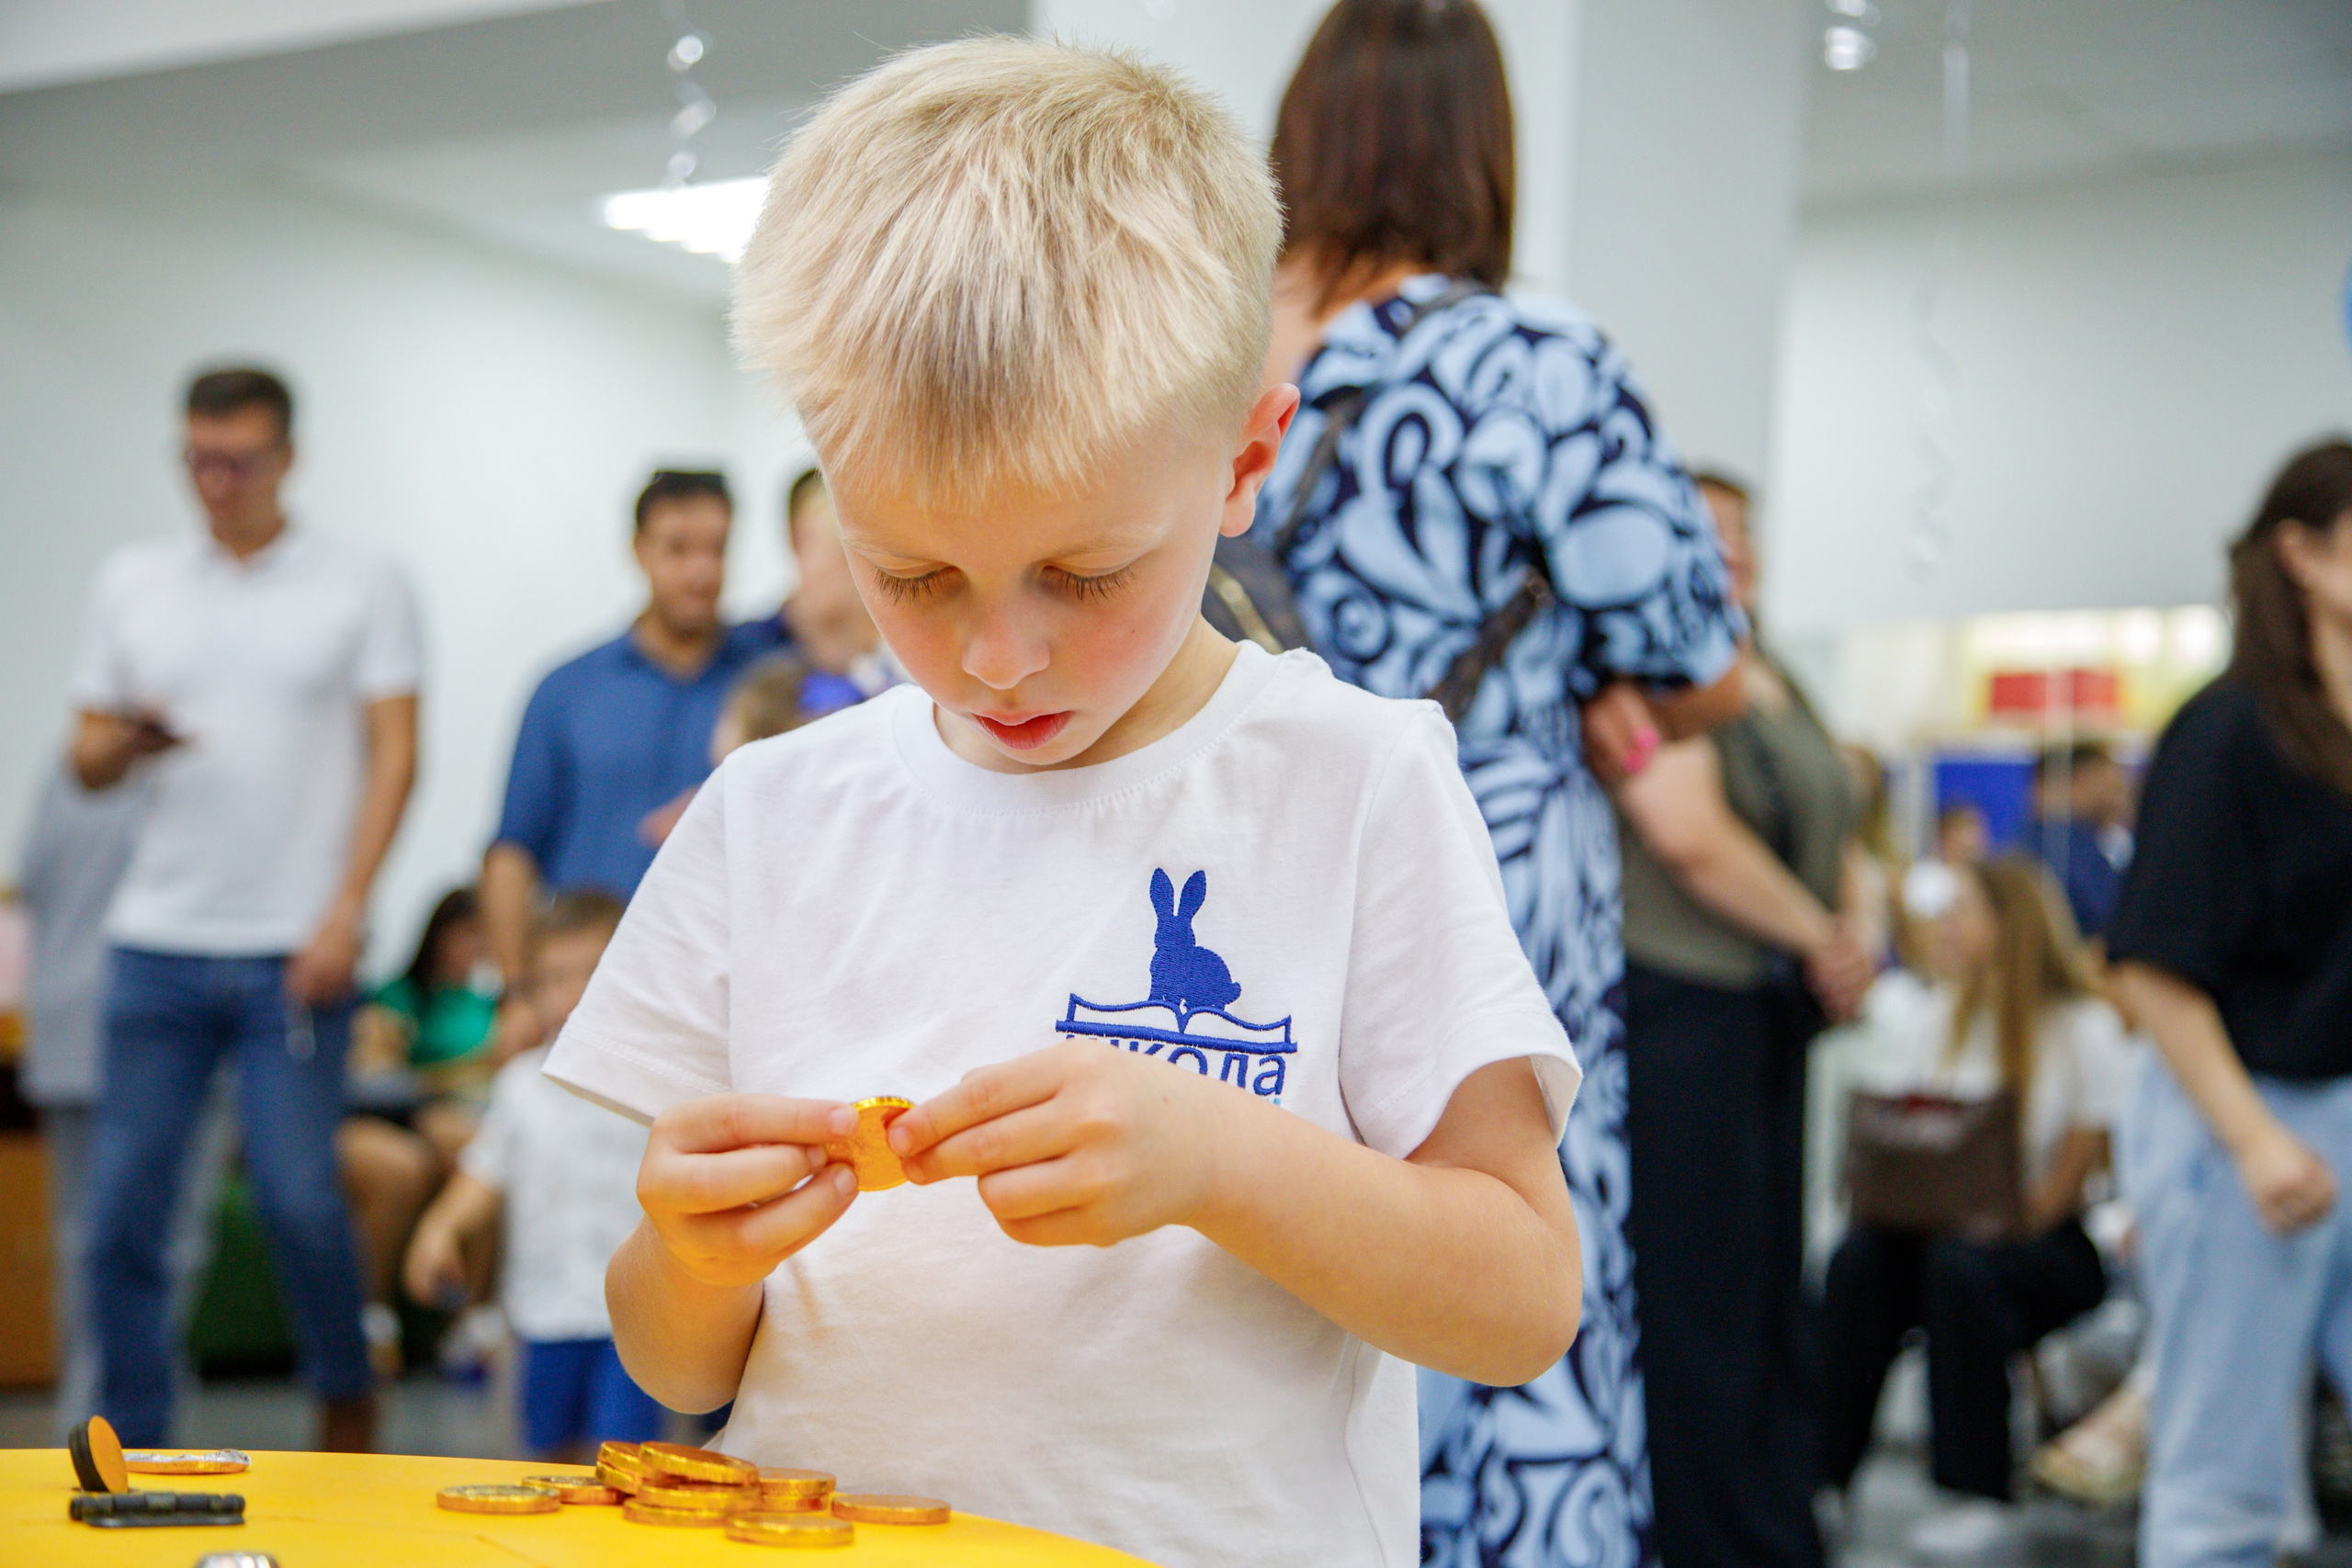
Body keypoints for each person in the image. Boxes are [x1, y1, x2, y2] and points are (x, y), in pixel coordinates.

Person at [552, 39, 1586, 1568]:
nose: (997, 654)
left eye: (1086, 573)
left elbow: (1522, 1297)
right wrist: (695, 1257)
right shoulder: (768, 815)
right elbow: (675, 1362)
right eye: (913, 574)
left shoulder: (1354, 780)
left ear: (1242, 462)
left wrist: (1221, 1157)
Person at [1249, 5, 1747, 1562]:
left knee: (1276, 1224)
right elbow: (1703, 655)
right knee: (1508, 1245)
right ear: (1481, 148)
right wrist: (1595, 687)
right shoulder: (1535, 360)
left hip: (1264, 858)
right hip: (1491, 855)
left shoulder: (1219, 345)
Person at [71, 365, 420, 1450]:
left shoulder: (362, 584)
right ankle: (131, 1435)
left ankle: (345, 1395)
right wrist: (126, 742)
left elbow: (395, 754)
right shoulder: (133, 581)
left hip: (294, 953)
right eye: (198, 460)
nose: (215, 482)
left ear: (287, 459)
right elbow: (84, 760)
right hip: (156, 945)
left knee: (300, 1201)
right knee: (121, 1213)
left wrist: (345, 911)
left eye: (238, 461)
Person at [1611, 470, 1871, 1568]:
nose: (1735, 550)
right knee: (1698, 1307)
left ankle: (1776, 1528)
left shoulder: (1775, 673)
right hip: (1678, 1014)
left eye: (1745, 531)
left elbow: (1838, 818)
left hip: (1767, 1016)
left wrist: (1851, 925)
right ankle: (1712, 1540)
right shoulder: (1645, 666)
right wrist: (1820, 938)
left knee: (1770, 1293)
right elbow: (1687, 832)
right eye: (1708, 531)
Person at [2106, 439, 2352, 1568]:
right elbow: (2151, 968)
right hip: (2240, 1119)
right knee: (2225, 1486)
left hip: (2337, 1104)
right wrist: (2254, 1142)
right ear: (2301, 554)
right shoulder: (2226, 733)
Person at [1821, 855, 2127, 1559]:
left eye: (1961, 909)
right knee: (1858, 1261)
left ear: (2010, 921)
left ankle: (1976, 1488)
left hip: (2043, 1240)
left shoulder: (2081, 1026)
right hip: (1939, 1237)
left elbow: (2073, 1171)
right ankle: (1823, 1471)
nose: (1943, 926)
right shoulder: (1930, 1017)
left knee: (1960, 1270)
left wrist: (1990, 1222)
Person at [481, 469, 767, 1058]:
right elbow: (512, 854)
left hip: (734, 1002)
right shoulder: (567, 691)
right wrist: (516, 993)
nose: (700, 571)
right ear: (638, 551)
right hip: (586, 1000)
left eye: (716, 549)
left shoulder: (767, 687)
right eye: (678, 549)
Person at [17, 757, 233, 1440]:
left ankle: (88, 1425)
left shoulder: (67, 772)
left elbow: (32, 883)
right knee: (163, 1243)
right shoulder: (189, 773)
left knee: (87, 1241)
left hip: (64, 1024)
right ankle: (114, 1431)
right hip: (159, 1035)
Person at [402, 892, 660, 1462]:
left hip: (635, 1317)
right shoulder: (521, 1085)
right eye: (555, 979)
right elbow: (485, 1171)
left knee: (626, 1460)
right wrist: (440, 1227)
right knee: (545, 1459)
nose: (573, 994)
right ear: (532, 991)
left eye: (593, 973)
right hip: (543, 1312)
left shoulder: (656, 1085)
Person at [337, 886, 498, 1370]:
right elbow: (377, 1071)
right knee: (406, 1164)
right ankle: (373, 1317)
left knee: (480, 1149)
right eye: (465, 934)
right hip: (396, 1112)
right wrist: (478, 1065)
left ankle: (471, 1319)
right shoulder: (397, 997)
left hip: (459, 1113)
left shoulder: (486, 1003)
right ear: (438, 936)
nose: (473, 947)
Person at [2026, 740, 2134, 942]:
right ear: (2074, 781)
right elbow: (2110, 914)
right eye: (2112, 787)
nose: (2118, 801)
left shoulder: (2082, 843)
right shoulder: (2059, 845)